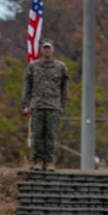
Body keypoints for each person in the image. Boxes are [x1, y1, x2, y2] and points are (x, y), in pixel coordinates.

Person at [22, 39, 69, 171]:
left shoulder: (60, 67)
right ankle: (37, 161)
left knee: (51, 136)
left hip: (53, 106)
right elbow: (27, 87)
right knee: (37, 135)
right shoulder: (33, 67)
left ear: (53, 49)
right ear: (41, 50)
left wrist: (62, 104)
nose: (47, 50)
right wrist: (26, 104)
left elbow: (64, 88)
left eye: (49, 48)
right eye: (44, 48)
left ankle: (49, 162)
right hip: (37, 105)